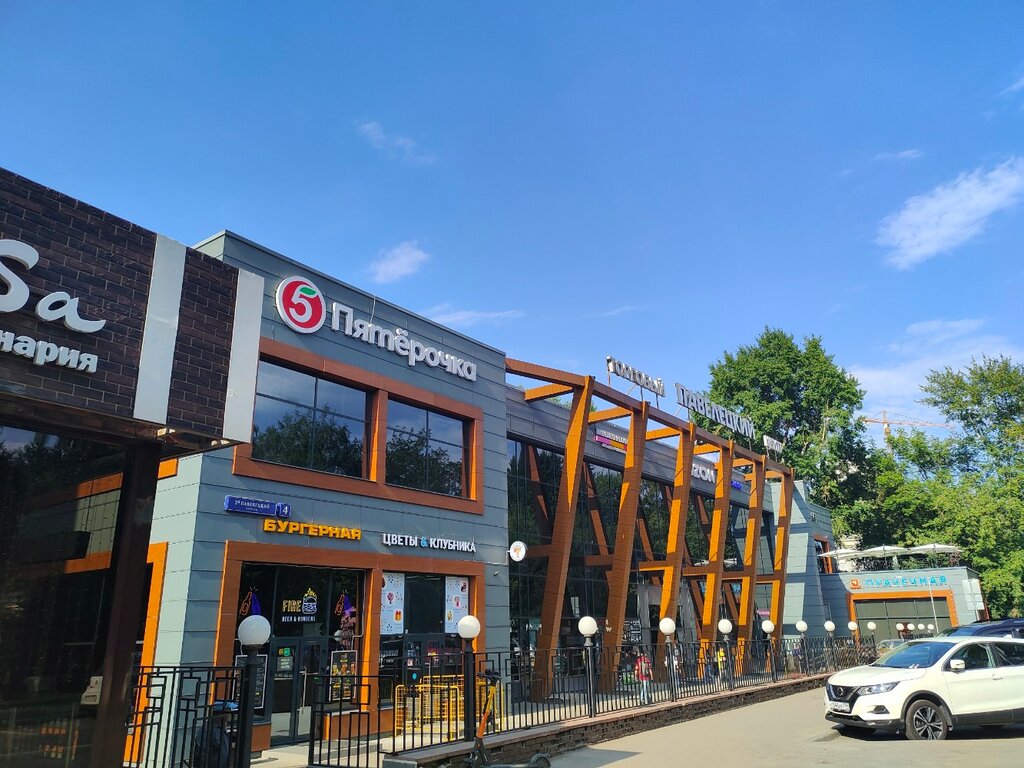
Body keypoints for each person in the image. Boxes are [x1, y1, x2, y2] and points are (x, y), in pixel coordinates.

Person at [191, 700, 235, 768]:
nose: (230, 714)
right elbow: (202, 755)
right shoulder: (207, 730)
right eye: (228, 711)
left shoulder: (221, 729)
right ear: (220, 714)